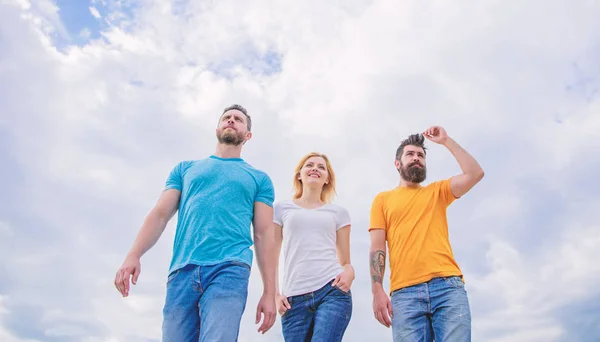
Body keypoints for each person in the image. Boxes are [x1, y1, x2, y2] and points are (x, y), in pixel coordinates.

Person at [113, 104, 278, 342]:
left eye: (238, 119)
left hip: (230, 269)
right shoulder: (185, 169)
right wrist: (133, 255)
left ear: (248, 135)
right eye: (227, 118)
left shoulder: (259, 179)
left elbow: (264, 234)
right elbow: (160, 214)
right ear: (217, 128)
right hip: (182, 271)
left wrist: (269, 292)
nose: (231, 121)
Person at [369, 126, 484, 342]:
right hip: (404, 293)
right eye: (410, 154)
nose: (416, 158)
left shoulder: (437, 192)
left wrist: (446, 140)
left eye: (421, 155)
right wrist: (377, 290)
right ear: (397, 163)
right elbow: (377, 247)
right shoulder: (382, 200)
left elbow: (475, 173)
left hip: (447, 288)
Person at [273, 152, 354, 342]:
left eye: (321, 167)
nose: (315, 168)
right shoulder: (281, 209)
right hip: (294, 300)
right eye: (309, 165)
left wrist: (350, 272)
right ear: (299, 175)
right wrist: (275, 294)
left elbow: (345, 262)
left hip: (331, 292)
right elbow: (271, 257)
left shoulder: (339, 213)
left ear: (327, 179)